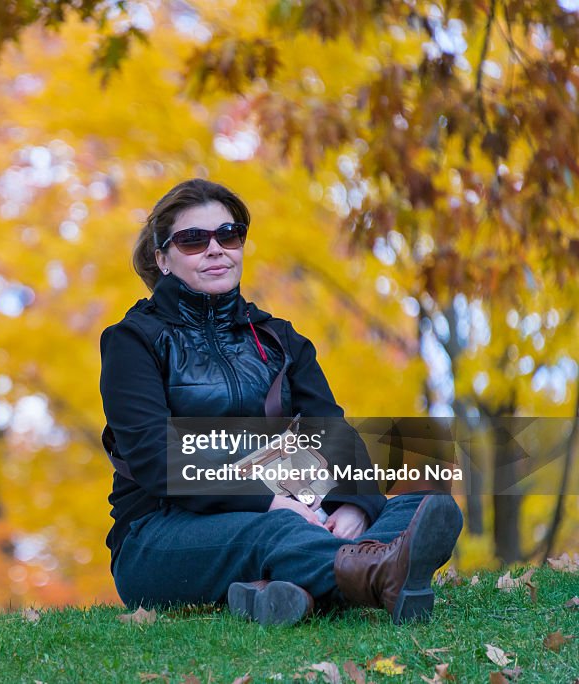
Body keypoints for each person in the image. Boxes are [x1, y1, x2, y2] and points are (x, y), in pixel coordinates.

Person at [99, 178, 463, 625]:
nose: (215, 249)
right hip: (159, 534)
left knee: (421, 502)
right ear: (163, 259)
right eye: (194, 240)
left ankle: (282, 589)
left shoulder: (280, 339)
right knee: (279, 531)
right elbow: (160, 459)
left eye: (228, 235)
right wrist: (269, 502)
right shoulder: (133, 341)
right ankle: (371, 571)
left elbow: (335, 436)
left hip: (298, 507)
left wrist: (354, 505)